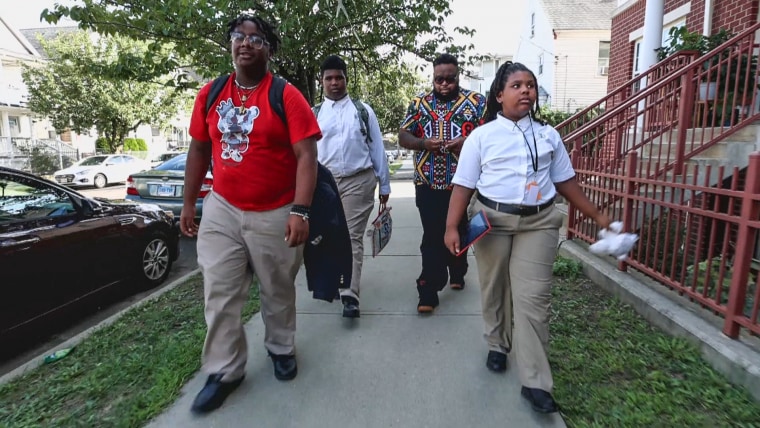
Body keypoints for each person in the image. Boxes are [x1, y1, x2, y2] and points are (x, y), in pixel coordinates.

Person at [443, 61, 612, 414]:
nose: (525, 91)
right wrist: (451, 226)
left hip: (539, 222)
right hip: (493, 219)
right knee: (494, 287)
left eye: (530, 85)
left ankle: (535, 382)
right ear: (499, 95)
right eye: (517, 85)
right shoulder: (482, 136)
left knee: (533, 299)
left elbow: (565, 181)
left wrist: (596, 214)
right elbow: (463, 185)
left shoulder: (548, 135)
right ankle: (497, 342)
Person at [180, 14, 321, 414]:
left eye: (256, 38)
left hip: (277, 210)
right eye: (238, 37)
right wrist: (190, 203)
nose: (245, 43)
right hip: (222, 207)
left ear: (269, 49)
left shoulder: (285, 95)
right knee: (220, 291)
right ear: (230, 44)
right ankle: (225, 370)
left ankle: (280, 347)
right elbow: (198, 150)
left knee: (277, 289)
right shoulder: (210, 93)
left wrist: (300, 210)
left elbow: (306, 155)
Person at [398, 53, 487, 313]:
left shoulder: (477, 103)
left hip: (463, 184)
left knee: (457, 229)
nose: (445, 84)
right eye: (439, 79)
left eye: (450, 79)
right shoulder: (419, 103)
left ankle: (458, 269)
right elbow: (404, 135)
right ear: (433, 78)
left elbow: (490, 133)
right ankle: (428, 288)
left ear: (458, 76)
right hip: (426, 183)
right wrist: (423, 144)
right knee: (433, 234)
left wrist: (466, 143)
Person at [314, 55, 391, 318]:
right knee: (330, 236)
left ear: (347, 80)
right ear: (322, 81)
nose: (334, 83)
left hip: (359, 180)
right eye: (329, 78)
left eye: (339, 78)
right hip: (324, 183)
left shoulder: (362, 111)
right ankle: (336, 277)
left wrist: (384, 185)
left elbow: (377, 148)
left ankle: (350, 292)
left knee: (351, 235)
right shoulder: (314, 114)